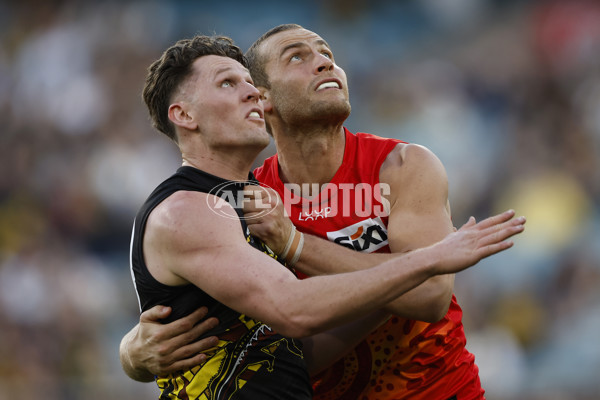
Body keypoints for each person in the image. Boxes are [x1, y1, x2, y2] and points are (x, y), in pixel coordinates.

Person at [122, 28, 525, 399]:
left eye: (327, 53)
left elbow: (430, 295)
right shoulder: (244, 202)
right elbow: (291, 324)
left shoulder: (401, 165)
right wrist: (132, 355)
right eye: (296, 57)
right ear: (265, 100)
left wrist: (297, 246)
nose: (324, 62)